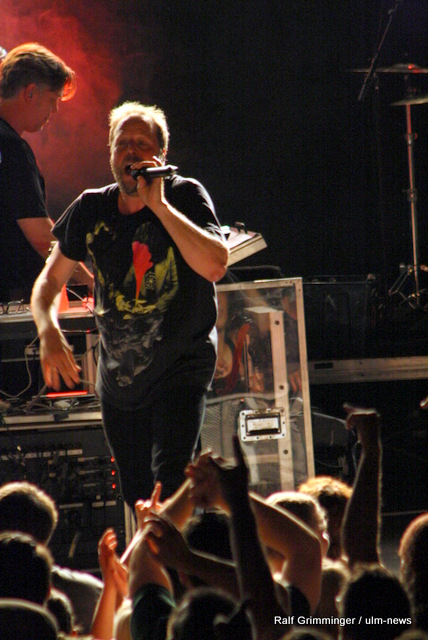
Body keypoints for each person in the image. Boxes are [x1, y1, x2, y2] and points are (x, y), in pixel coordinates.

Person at [31, 101, 229, 507]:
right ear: (111, 153)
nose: (132, 151)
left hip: (180, 369)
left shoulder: (184, 195)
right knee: (137, 496)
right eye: (123, 143)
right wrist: (48, 330)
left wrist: (159, 206)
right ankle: (156, 550)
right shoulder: (91, 207)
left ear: (161, 155)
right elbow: (49, 281)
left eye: (142, 144)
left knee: (170, 485)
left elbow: (215, 265)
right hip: (120, 381)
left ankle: (177, 548)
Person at [0, 42, 93, 303]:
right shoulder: (11, 148)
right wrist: (89, 282)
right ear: (30, 92)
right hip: (10, 302)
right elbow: (42, 238)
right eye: (53, 100)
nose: (54, 111)